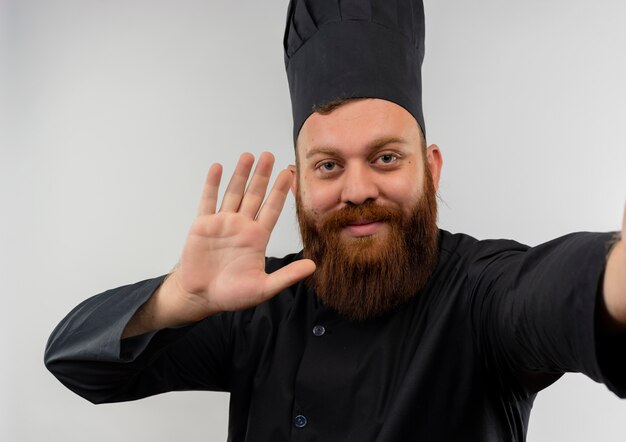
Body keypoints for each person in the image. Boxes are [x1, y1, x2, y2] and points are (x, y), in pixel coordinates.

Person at [45, 0, 626, 440]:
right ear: (300, 181)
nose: (357, 189)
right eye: (328, 165)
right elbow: (75, 363)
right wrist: (180, 297)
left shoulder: (480, 292)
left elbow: (559, 292)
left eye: (385, 158)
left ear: (431, 169)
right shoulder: (257, 303)